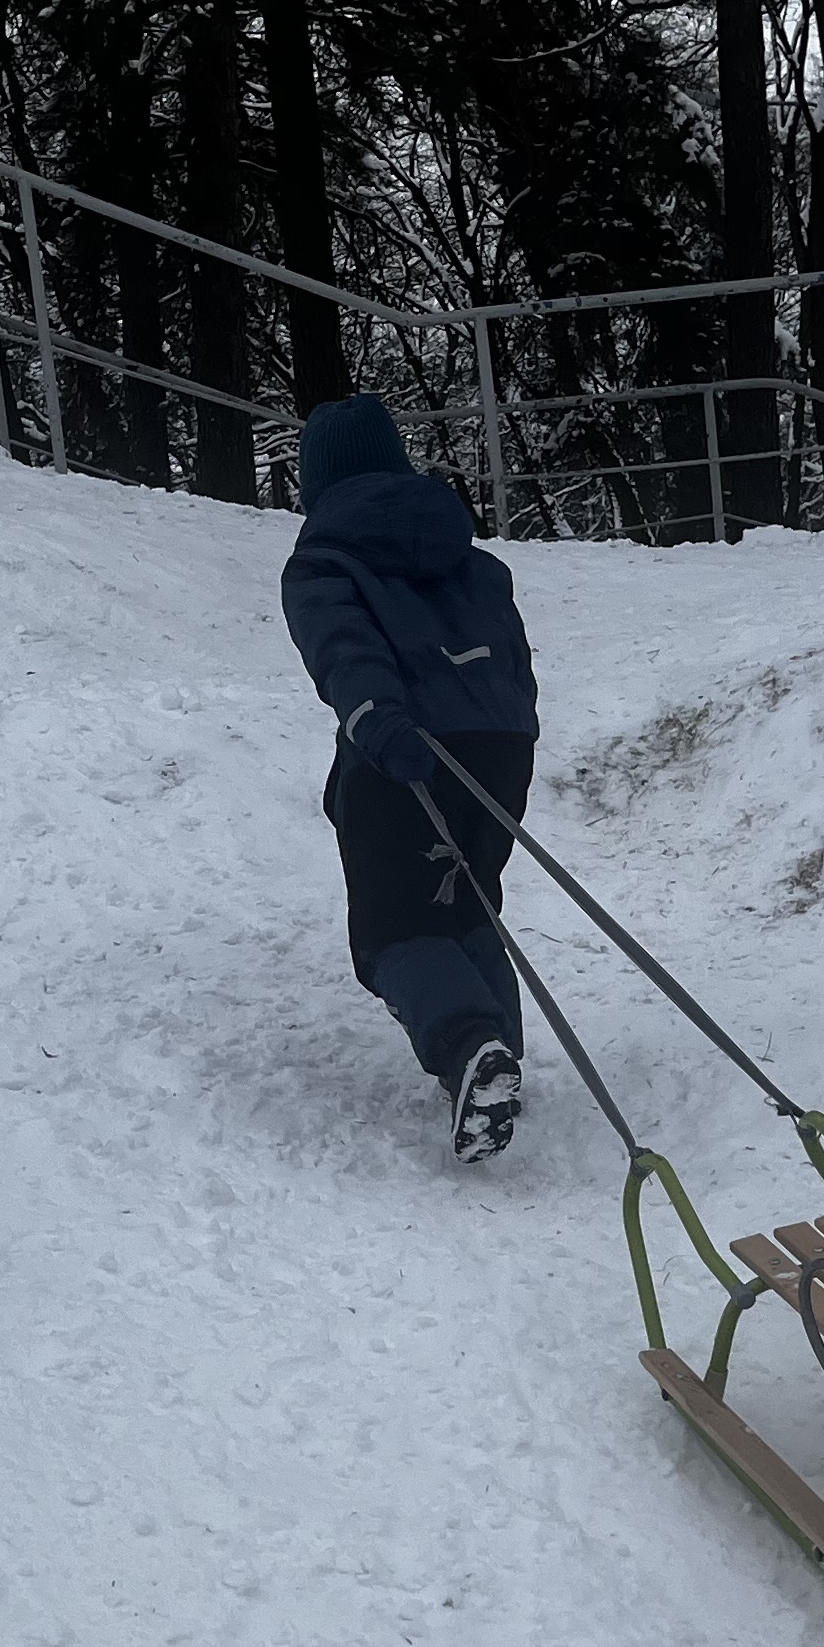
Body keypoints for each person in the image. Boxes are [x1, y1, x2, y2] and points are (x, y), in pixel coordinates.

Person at [278, 395, 544, 1163]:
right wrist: (511, 735)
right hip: (502, 748)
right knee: (468, 899)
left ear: (317, 485)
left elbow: (344, 649)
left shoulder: (324, 562)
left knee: (395, 923)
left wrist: (376, 718)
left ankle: (471, 1049)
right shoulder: (475, 560)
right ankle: (496, 1051)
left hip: (403, 744)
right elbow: (510, 656)